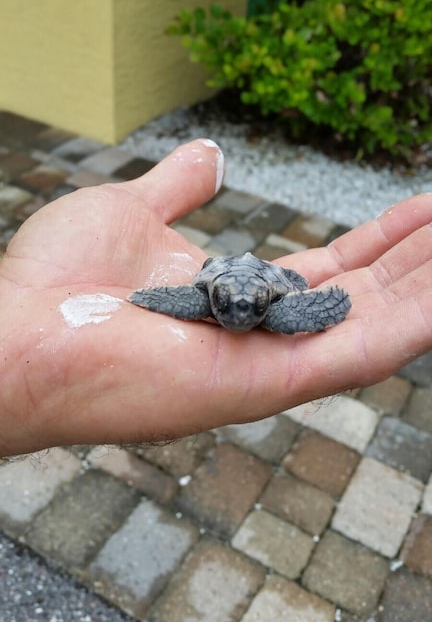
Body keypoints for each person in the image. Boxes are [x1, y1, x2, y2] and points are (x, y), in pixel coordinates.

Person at [0, 139, 431, 458]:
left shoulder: (271, 310)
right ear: (214, 300)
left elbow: (282, 303)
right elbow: (186, 298)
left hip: (262, 276)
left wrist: (325, 305)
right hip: (227, 273)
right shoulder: (206, 299)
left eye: (253, 309)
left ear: (266, 304)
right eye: (227, 307)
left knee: (287, 316)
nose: (240, 315)